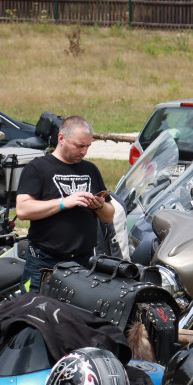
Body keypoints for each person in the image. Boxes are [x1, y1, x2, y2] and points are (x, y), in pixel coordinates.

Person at [15, 116, 115, 292]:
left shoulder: (90, 169)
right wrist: (63, 203)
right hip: (44, 262)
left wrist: (98, 205)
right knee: (34, 315)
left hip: (83, 262)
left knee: (76, 318)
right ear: (61, 138)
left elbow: (109, 216)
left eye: (88, 146)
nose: (84, 152)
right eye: (79, 145)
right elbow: (23, 209)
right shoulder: (38, 167)